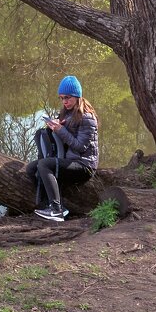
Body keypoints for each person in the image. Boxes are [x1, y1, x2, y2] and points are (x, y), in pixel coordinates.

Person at [26, 75, 99, 221]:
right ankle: (46, 203)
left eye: (67, 97)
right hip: (71, 159)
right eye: (61, 98)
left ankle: (56, 210)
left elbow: (80, 146)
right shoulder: (68, 112)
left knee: (44, 164)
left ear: (77, 96)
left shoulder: (87, 117)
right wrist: (55, 125)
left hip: (84, 165)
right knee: (31, 168)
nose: (64, 101)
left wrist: (60, 130)